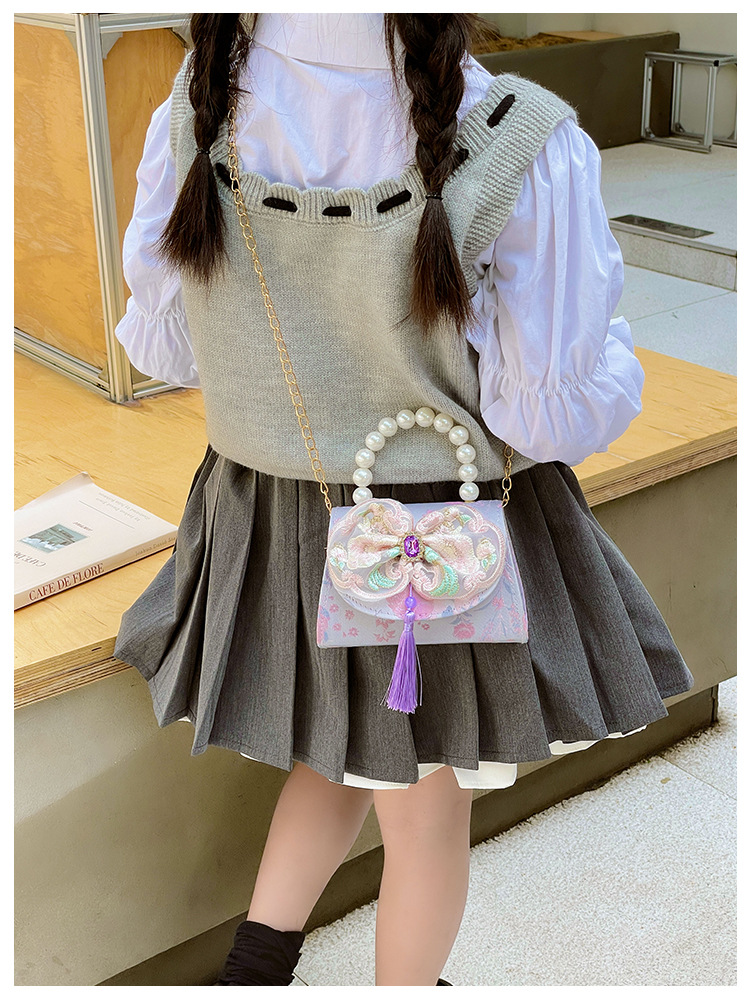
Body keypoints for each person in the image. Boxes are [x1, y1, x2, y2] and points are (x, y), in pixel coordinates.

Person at [113, 13, 695, 988]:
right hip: (435, 534)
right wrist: (617, 365)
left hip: (271, 522)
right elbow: (543, 414)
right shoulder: (516, 133)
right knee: (426, 814)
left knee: (341, 750)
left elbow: (166, 347)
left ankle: (252, 969)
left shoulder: (196, 107)